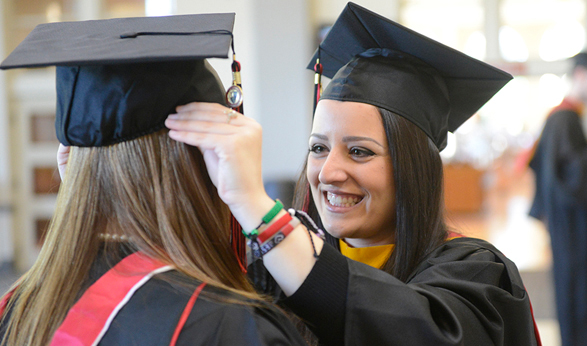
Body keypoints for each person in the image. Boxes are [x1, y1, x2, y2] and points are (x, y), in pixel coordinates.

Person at [165, 3, 542, 345]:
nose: (329, 172)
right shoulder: (277, 270)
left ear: (413, 170)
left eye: (359, 152)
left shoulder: (476, 276)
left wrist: (258, 211)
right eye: (318, 148)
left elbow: (413, 330)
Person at [0, 14, 307, 346]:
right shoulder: (225, 325)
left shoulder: (21, 305)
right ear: (202, 161)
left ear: (74, 166)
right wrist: (254, 203)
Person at [529, 51, 587, 346]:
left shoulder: (571, 117)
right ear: (580, 75)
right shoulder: (563, 118)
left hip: (578, 228)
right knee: (583, 294)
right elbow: (568, 173)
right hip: (574, 230)